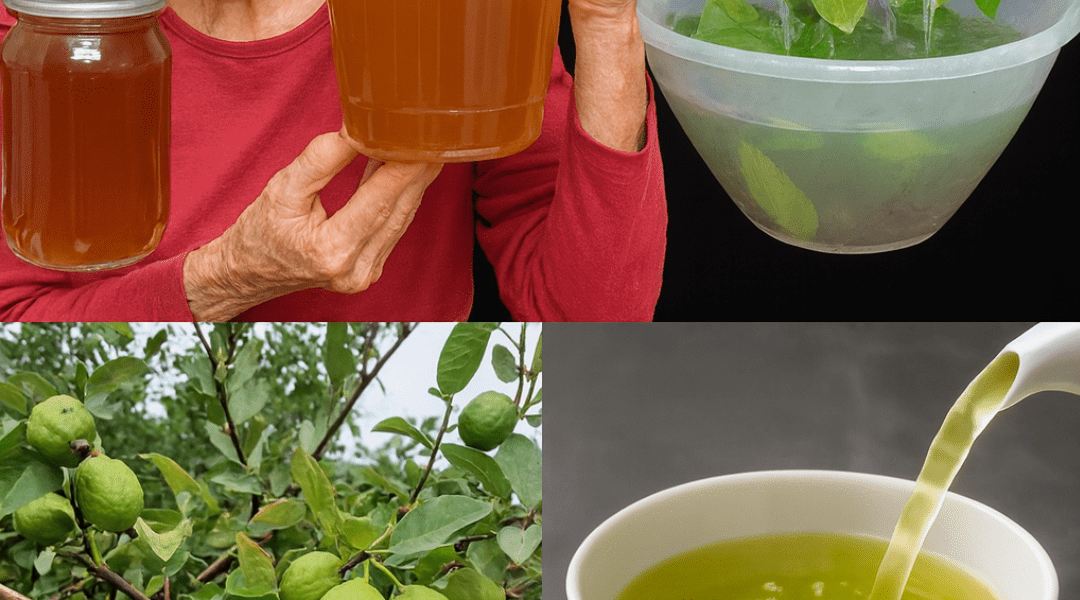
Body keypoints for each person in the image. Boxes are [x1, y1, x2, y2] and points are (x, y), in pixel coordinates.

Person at [0, 0, 666, 321]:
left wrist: (607, 23)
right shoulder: (37, 41)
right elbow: (16, 319)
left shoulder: (456, 17)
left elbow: (592, 317)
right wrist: (228, 276)